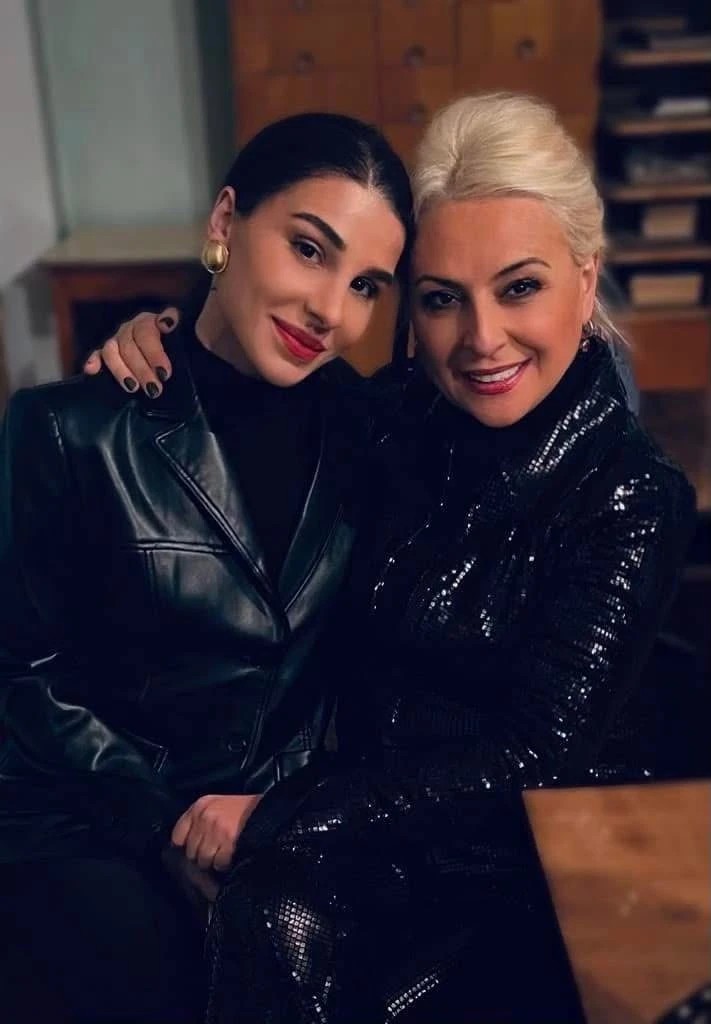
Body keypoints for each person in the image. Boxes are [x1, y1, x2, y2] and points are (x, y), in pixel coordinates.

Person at [92, 93, 697, 1023]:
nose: (481, 339)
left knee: (274, 918)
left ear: (585, 281)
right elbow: (253, 378)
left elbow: (533, 755)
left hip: (529, 850)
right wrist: (159, 335)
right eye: (442, 299)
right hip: (363, 819)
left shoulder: (631, 494)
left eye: (519, 288)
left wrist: (278, 818)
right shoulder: (392, 414)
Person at [0, 112, 413, 1024]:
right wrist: (168, 825)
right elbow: (25, 677)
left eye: (365, 286)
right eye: (308, 249)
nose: (330, 310)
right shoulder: (68, 429)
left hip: (277, 818)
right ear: (226, 222)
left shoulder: (379, 435)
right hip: (94, 816)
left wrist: (279, 812)